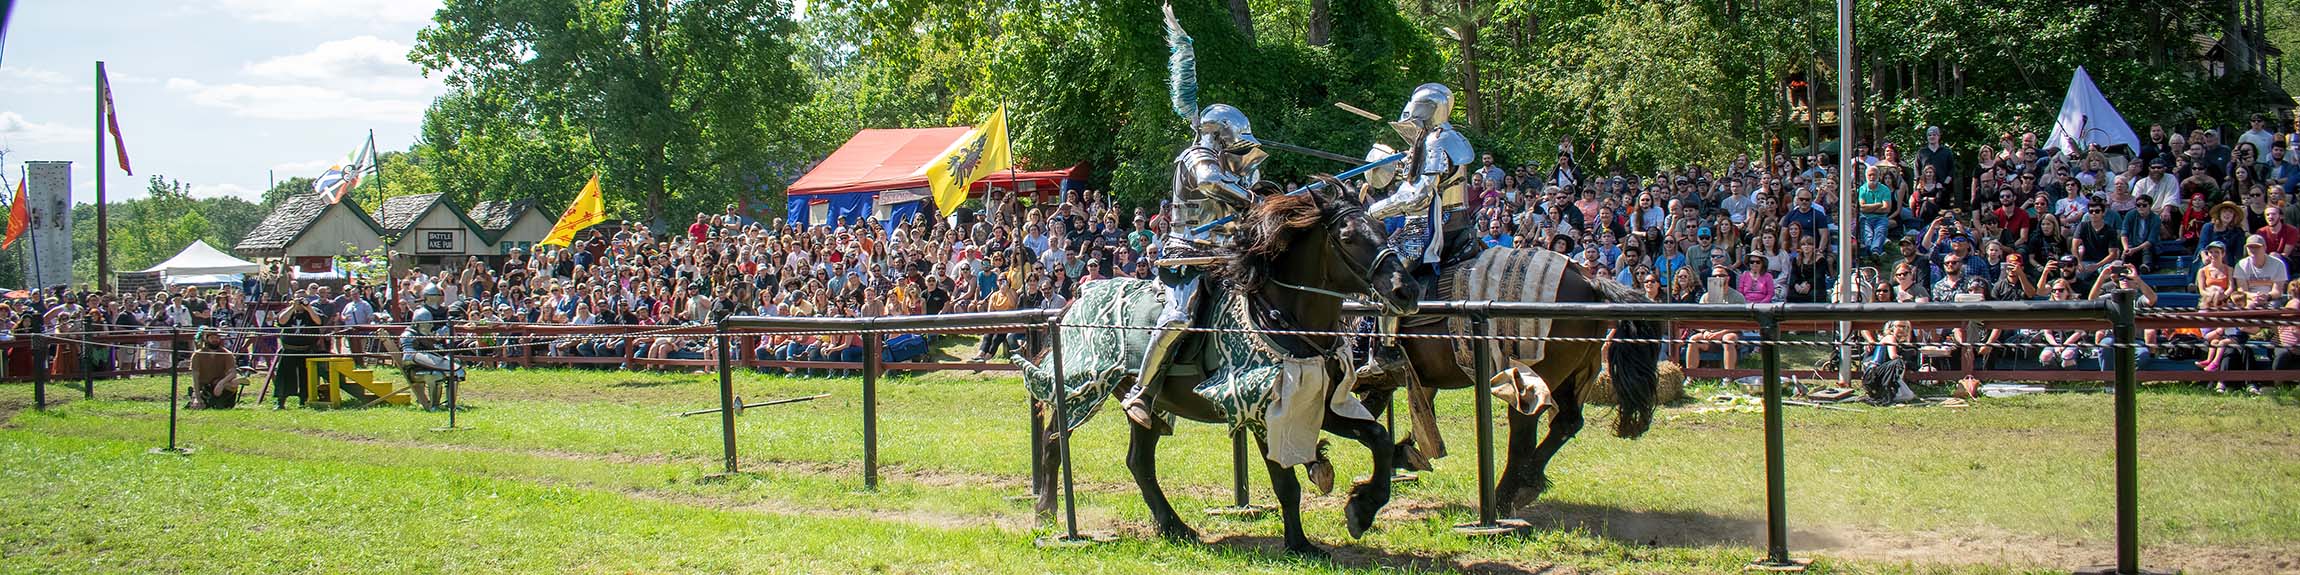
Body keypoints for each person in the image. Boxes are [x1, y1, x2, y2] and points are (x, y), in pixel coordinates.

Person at [273, 296, 328, 409]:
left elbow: (319, 321)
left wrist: (308, 308)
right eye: (297, 299)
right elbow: (281, 321)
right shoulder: (288, 311)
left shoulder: (313, 311)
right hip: (289, 350)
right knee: (284, 376)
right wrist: (293, 307)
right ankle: (280, 401)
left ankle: (304, 400)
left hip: (306, 350)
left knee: (306, 376)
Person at [188, 328, 240, 410]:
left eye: (217, 337)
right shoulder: (197, 355)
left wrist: (221, 383)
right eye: (212, 338)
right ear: (206, 339)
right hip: (204, 386)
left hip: (220, 386)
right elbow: (195, 377)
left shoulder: (227, 354)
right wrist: (197, 397)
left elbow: (233, 373)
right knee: (200, 406)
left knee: (232, 385)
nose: (215, 340)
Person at [2234, 234, 2290, 298]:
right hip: (2249, 299)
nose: (2253, 250)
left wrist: (2267, 296)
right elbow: (2242, 291)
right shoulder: (2241, 265)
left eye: (2257, 247)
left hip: (2271, 298)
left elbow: (2278, 291)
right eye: (2250, 247)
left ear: (2265, 247)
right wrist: (2254, 296)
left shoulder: (2278, 264)